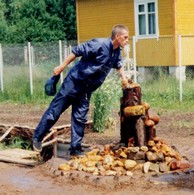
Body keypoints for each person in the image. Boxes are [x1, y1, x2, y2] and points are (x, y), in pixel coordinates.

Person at [33, 24, 129, 156]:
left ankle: (75, 149)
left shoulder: (116, 51)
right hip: (73, 83)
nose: (127, 40)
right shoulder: (99, 44)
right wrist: (62, 67)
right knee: (54, 111)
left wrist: (124, 78)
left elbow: (119, 64)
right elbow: (77, 51)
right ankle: (37, 138)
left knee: (80, 118)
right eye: (125, 37)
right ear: (117, 36)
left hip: (86, 89)